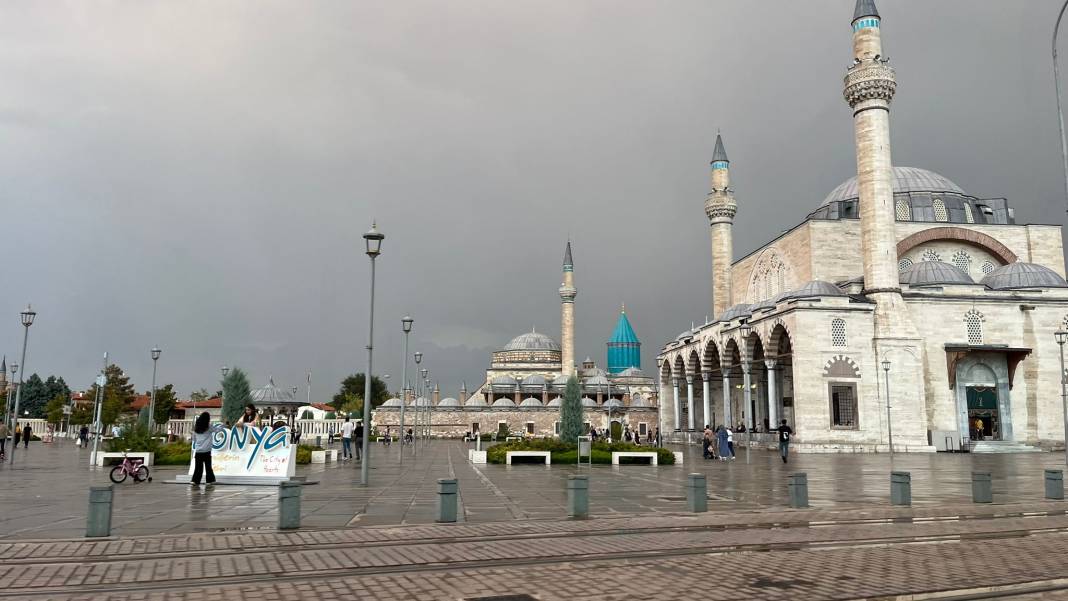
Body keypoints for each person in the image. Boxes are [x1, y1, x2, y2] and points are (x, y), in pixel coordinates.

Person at [190, 412, 225, 487]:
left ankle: (195, 480)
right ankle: (210, 480)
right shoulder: (209, 427)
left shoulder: (196, 427)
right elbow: (217, 430)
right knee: (208, 466)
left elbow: (194, 439)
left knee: (198, 467)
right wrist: (224, 425)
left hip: (198, 450)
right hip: (207, 450)